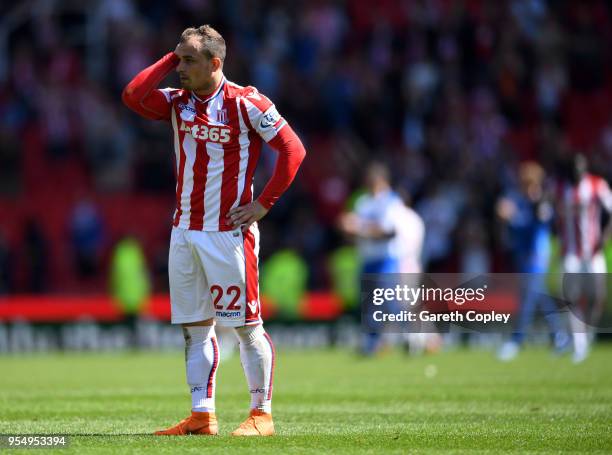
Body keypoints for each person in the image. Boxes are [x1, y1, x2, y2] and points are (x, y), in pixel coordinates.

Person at [122, 25, 306, 436]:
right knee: (195, 329)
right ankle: (202, 415)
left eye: (189, 61)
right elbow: (132, 95)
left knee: (246, 327)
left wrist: (263, 204)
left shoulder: (247, 103)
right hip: (184, 231)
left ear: (215, 64)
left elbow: (294, 149)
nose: (180, 69)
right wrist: (172, 56)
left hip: (228, 235)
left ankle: (262, 414)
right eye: (178, 60)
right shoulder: (178, 102)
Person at [496, 161, 568, 361]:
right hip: (523, 256)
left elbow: (532, 225)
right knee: (540, 296)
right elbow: (509, 218)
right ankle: (560, 337)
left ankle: (515, 341)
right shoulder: (521, 200)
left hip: (537, 256)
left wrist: (512, 217)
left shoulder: (541, 203)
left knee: (527, 299)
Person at [338, 162, 406, 355]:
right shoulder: (363, 202)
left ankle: (413, 335)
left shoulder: (392, 201)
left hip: (386, 259)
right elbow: (356, 233)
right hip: (367, 259)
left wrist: (359, 227)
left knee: (390, 302)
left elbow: (389, 232)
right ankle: (371, 343)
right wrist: (347, 228)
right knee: (369, 305)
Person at [555, 154, 612, 363]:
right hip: (571, 252)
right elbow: (555, 215)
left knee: (597, 297)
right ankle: (579, 344)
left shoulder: (597, 185)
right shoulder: (561, 189)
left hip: (594, 251)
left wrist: (605, 235)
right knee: (571, 297)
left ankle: (586, 335)